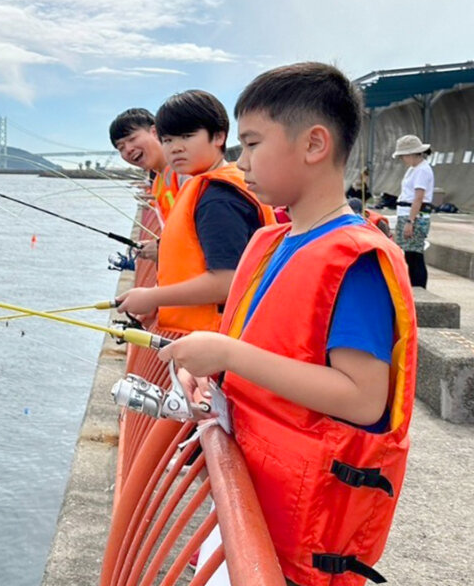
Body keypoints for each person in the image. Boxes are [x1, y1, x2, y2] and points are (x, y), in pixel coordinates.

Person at [159, 62, 417, 586]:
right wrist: (211, 373)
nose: (240, 160)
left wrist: (229, 356)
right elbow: (260, 347)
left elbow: (363, 398)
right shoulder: (270, 242)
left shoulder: (355, 261)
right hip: (250, 491)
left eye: (252, 143)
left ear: (314, 144)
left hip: (298, 532)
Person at [116, 90, 275, 334]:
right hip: (220, 337)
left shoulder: (218, 199)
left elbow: (226, 281)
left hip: (224, 339)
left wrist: (153, 297)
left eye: (187, 136)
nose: (176, 148)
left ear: (219, 137)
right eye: (168, 140)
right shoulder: (212, 187)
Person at [109, 108, 182, 260]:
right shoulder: (159, 182)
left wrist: (164, 249)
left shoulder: (185, 172)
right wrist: (158, 245)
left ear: (155, 132)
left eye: (132, 139)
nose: (128, 149)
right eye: (121, 147)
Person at [392, 135, 434, 288]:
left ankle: (419, 288)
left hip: (414, 216)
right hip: (407, 213)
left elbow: (419, 197)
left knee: (415, 255)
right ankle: (413, 287)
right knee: (409, 255)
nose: (402, 159)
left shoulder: (422, 170)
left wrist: (411, 221)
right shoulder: (414, 169)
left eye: (403, 156)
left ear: (411, 154)